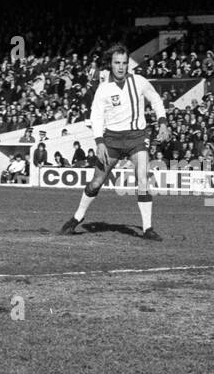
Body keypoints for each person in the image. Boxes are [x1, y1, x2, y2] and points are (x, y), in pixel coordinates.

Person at [61, 44, 170, 239]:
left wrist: (162, 123)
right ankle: (77, 217)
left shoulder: (139, 81)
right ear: (111, 65)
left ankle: (147, 229)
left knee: (143, 176)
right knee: (96, 182)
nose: (121, 67)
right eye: (117, 63)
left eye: (124, 63)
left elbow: (156, 100)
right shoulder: (103, 89)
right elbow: (96, 117)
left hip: (137, 137)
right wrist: (100, 141)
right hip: (111, 139)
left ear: (128, 64)